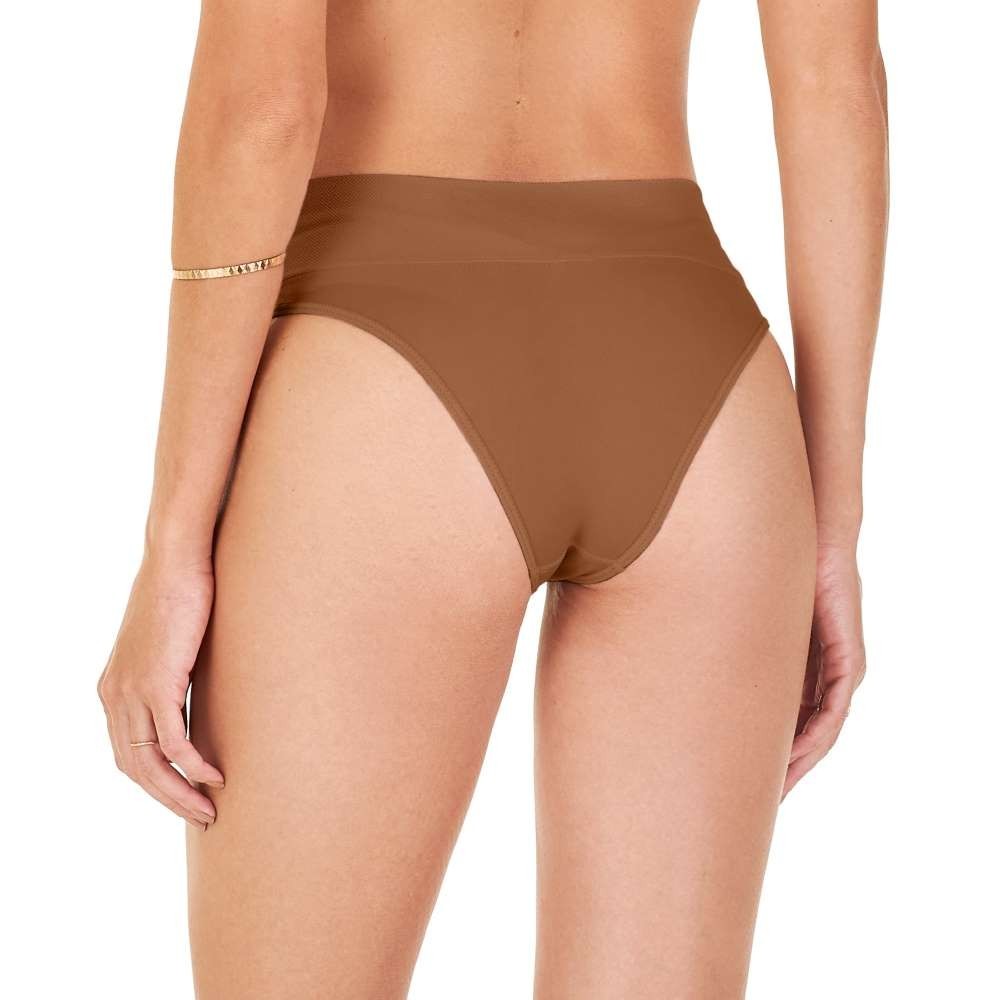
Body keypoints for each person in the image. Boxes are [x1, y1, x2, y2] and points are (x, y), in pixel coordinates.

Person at [98, 1, 888, 996]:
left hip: (376, 378)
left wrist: (175, 542)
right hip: (697, 376)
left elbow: (262, 114)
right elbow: (835, 87)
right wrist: (832, 523)